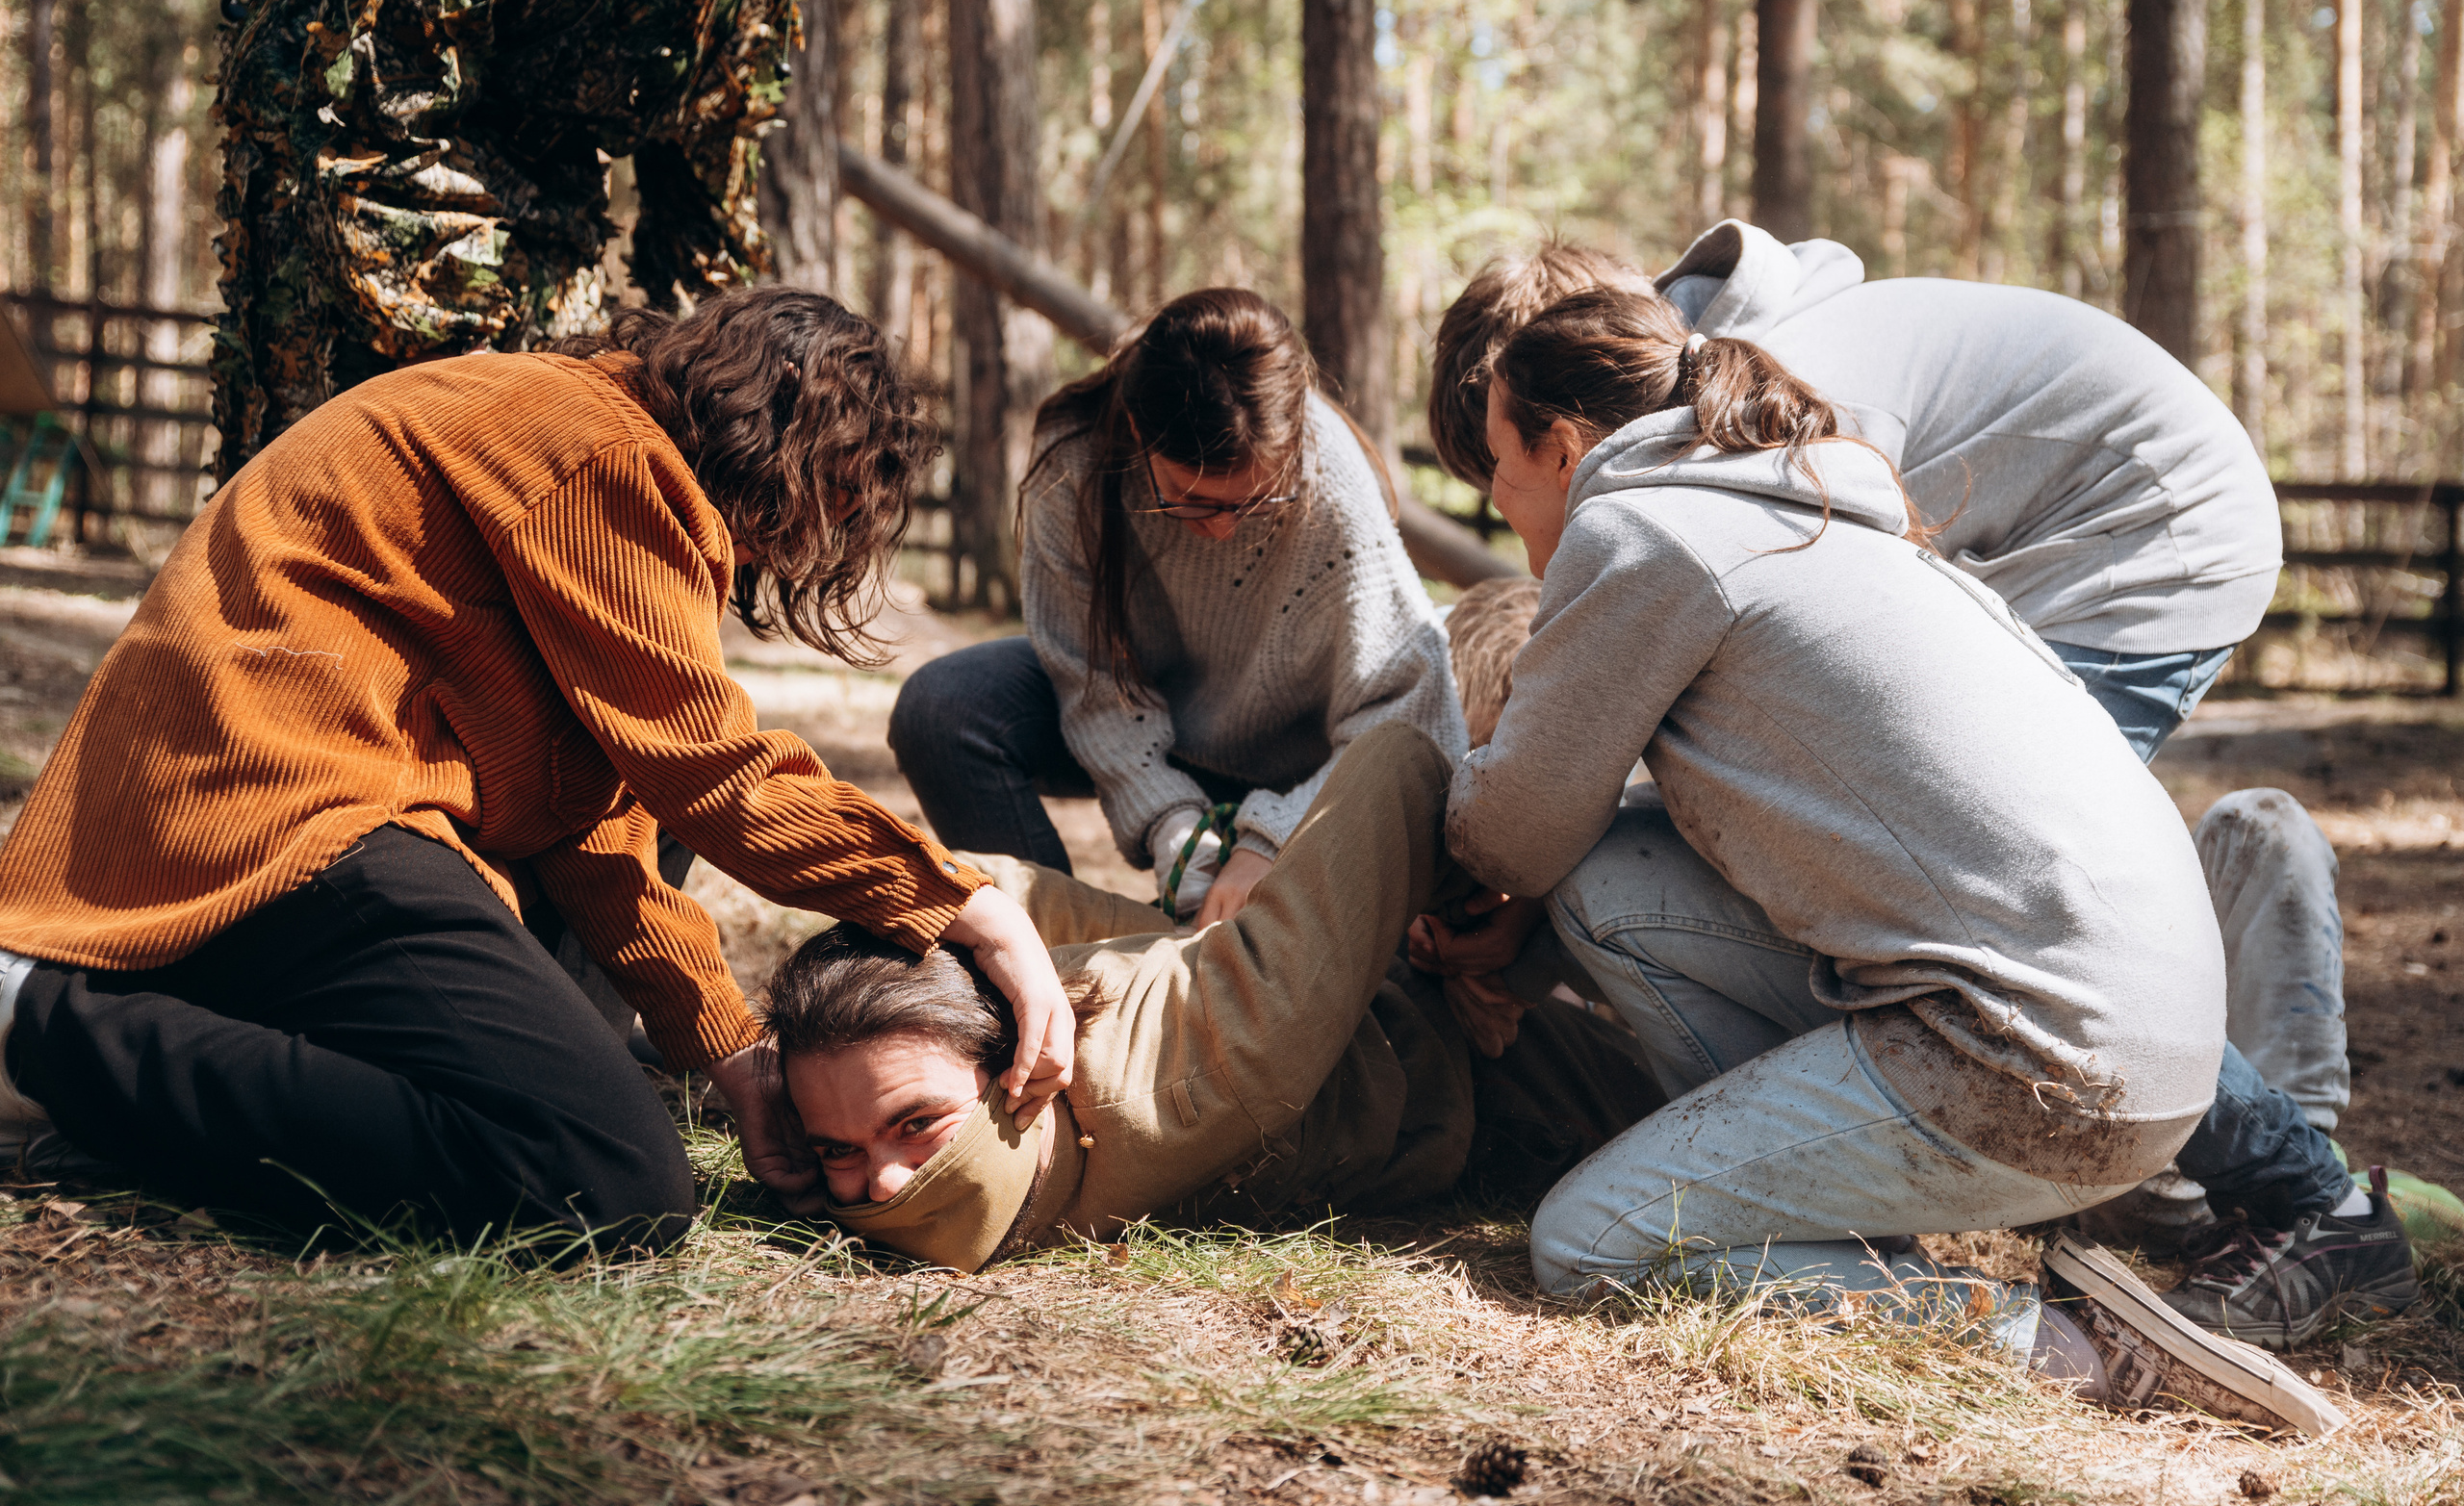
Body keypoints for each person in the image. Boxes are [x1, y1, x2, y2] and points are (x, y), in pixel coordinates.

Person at [1424, 232, 2406, 1349]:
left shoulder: (1643, 518)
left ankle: (2088, 1331)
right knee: (1618, 877)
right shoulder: (1793, 465)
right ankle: (1844, 1189)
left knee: (1586, 1242)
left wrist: (1446, 807)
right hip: (2115, 1019)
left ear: (1561, 446)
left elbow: (1514, 832)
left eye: (1495, 465)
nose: (1493, 500)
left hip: (2140, 556)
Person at [0, 289, 1071, 1250]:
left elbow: (592, 819)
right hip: (282, 814)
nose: (779, 558)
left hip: (282, 814)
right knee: (603, 1179)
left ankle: (136, 1031)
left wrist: (731, 1055)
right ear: (789, 453)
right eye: (816, 514)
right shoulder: (595, 447)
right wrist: (968, 908)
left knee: (578, 1108)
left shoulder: (573, 451)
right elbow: (711, 769)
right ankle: (40, 1021)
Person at [768, 723, 1660, 1269]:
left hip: (1463, 1039)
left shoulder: (1199, 1052)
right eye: (833, 1149)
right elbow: (1400, 763)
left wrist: (1498, 924)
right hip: (1440, 1068)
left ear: (1025, 1047)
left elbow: (1401, 767)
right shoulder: (1182, 1057)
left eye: (915, 1123)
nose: (881, 1184)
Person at [888, 289, 1466, 926]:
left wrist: (1272, 838)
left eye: (1249, 504)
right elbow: (1090, 682)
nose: (1221, 529)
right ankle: (1052, 951)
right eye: (1191, 502)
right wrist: (1168, 818)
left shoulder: (1332, 486)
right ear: (1138, 431)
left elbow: (1412, 718)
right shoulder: (1075, 462)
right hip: (1152, 727)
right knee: (942, 709)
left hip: (1299, 771)